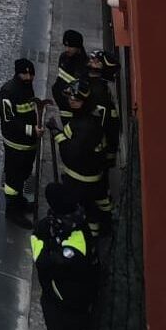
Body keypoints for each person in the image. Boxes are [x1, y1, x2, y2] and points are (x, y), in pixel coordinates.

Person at [32, 182, 98, 330]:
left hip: (65, 306)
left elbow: (44, 261)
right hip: (63, 301)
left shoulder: (75, 242)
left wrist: (50, 247)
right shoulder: (68, 224)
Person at [51, 79, 109, 236]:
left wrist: (57, 134)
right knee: (90, 211)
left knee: (80, 212)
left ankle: (85, 241)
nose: (71, 102)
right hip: (89, 177)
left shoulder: (85, 126)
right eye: (70, 98)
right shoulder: (87, 116)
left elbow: (71, 154)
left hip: (81, 180)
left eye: (75, 100)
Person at [0, 58, 42, 227]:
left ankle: (19, 201)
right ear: (17, 74)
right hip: (15, 144)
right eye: (25, 73)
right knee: (13, 179)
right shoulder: (7, 92)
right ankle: (12, 211)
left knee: (23, 173)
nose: (29, 77)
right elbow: (9, 121)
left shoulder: (26, 87)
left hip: (28, 143)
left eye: (31, 74)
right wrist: (32, 130)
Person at [86, 50, 121, 168]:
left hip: (93, 153)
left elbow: (98, 127)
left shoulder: (98, 94)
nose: (91, 61)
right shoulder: (99, 87)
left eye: (96, 61)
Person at [52, 30, 88, 121]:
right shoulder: (63, 58)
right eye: (66, 45)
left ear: (78, 47)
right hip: (62, 108)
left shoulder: (84, 66)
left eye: (70, 46)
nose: (67, 49)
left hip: (75, 114)